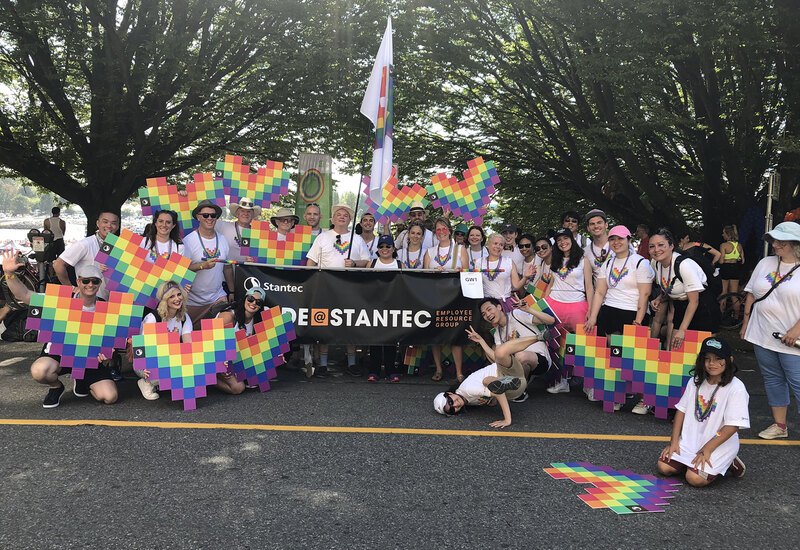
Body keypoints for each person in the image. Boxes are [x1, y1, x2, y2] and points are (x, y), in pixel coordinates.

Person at [2, 254, 117, 408]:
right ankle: (56, 387)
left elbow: (110, 342)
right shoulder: (61, 299)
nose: (90, 284)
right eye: (85, 280)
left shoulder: (106, 308)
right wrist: (9, 274)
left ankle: (82, 380)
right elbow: (25, 295)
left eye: (95, 281)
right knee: (39, 371)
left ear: (99, 283)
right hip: (60, 353)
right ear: (78, 281)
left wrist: (107, 355)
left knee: (110, 397)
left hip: (88, 358)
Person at [657, 337, 748, 486]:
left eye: (718, 359)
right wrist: (674, 442)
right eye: (707, 359)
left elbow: (732, 426)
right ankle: (695, 463)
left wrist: (707, 449)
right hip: (692, 438)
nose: (712, 364)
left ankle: (728, 460)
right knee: (664, 467)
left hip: (718, 442)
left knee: (694, 479)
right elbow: (681, 410)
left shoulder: (736, 388)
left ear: (730, 359)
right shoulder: (696, 381)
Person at [740, 221, 800, 439]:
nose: (775, 244)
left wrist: (796, 330)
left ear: (796, 244)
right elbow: (751, 293)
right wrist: (746, 324)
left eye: (780, 241)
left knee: (798, 382)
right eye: (774, 240)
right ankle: (780, 426)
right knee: (772, 378)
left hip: (791, 339)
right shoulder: (766, 262)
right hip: (762, 333)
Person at [306, 203, 370, 376]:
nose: (342, 217)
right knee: (324, 323)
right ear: (333, 218)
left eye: (346, 215)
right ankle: (323, 364)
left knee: (349, 323)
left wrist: (355, 263)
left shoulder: (357, 239)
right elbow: (311, 262)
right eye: (338, 214)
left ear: (350, 220)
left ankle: (351, 362)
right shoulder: (323, 237)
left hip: (350, 288)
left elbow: (367, 261)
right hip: (325, 287)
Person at [433, 335, 541, 429]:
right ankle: (507, 381)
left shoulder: (468, 389)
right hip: (516, 386)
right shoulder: (467, 399)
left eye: (451, 402)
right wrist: (491, 400)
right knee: (494, 368)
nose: (455, 405)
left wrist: (507, 420)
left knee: (499, 355)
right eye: (451, 410)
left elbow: (498, 393)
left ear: (450, 394)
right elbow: (492, 398)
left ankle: (540, 337)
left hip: (508, 373)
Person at [468, 297, 555, 402]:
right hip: (520, 364)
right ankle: (520, 388)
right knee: (495, 353)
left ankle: (520, 389)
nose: (487, 314)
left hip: (541, 360)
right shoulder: (497, 333)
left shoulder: (516, 314)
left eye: (489, 309)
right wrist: (481, 341)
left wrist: (528, 309)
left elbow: (551, 320)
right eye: (484, 314)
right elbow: (498, 358)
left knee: (520, 355)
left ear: (499, 307)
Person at [649, 228, 715, 350]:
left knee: (699, 351)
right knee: (677, 349)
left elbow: (694, 301)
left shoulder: (684, 265)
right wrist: (659, 298)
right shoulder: (655, 263)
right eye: (652, 246)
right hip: (680, 306)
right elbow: (668, 286)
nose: (656, 250)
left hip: (702, 307)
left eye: (661, 245)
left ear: (671, 246)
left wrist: (682, 330)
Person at [585, 226, 654, 336]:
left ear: (629, 240)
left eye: (620, 238)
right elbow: (599, 292)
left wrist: (638, 322)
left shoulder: (640, 262)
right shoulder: (607, 264)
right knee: (610, 351)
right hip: (609, 311)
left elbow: (645, 294)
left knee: (628, 352)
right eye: (612, 239)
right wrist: (593, 318)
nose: (616, 242)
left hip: (632, 312)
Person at [424, 217, 469, 382]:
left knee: (454, 334)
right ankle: (438, 369)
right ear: (435, 233)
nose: (441, 232)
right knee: (435, 334)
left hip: (454, 297)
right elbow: (424, 274)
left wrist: (458, 270)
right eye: (438, 229)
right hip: (435, 297)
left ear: (449, 231)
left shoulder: (459, 249)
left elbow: (466, 271)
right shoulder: (430, 251)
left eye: (444, 229)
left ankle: (458, 372)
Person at [136, 280, 193, 400]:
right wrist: (143, 368)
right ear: (164, 300)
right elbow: (140, 347)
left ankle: (165, 381)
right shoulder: (153, 318)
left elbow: (189, 344)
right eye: (171, 296)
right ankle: (147, 382)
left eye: (179, 294)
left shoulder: (184, 317)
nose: (177, 299)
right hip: (147, 359)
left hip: (171, 357)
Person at [183, 200, 235, 328]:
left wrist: (232, 291)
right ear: (198, 217)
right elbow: (182, 270)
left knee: (228, 318)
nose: (210, 218)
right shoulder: (188, 241)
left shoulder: (222, 239)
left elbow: (227, 267)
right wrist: (202, 266)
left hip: (216, 298)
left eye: (213, 215)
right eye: (206, 215)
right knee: (189, 337)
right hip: (191, 301)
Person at [53, 210, 119, 300]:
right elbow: (58, 264)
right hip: (88, 303)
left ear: (117, 226)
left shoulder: (118, 245)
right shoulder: (85, 244)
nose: (109, 226)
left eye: (113, 223)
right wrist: (71, 288)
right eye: (105, 222)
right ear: (98, 223)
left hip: (113, 302)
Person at [215, 287, 267, 395]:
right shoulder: (228, 316)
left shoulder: (257, 320)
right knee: (238, 388)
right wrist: (222, 362)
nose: (253, 303)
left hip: (235, 358)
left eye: (258, 302)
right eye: (250, 299)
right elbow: (213, 340)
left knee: (258, 378)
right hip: (216, 355)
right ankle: (207, 379)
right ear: (244, 299)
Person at [543, 228, 593, 332]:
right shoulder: (555, 260)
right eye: (559, 240)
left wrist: (591, 310)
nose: (562, 242)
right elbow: (551, 283)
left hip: (577, 305)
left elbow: (589, 286)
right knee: (553, 339)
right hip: (553, 303)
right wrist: (544, 303)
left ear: (572, 239)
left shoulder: (584, 260)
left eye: (566, 238)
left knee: (583, 339)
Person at [367, 235, 402, 382]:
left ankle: (390, 370)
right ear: (378, 249)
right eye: (381, 246)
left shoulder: (400, 264)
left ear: (393, 248)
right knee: (374, 340)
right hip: (374, 306)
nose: (385, 249)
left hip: (393, 306)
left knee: (391, 340)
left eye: (388, 246)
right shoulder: (372, 263)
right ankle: (374, 371)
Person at [480, 233, 526, 311]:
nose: (498, 246)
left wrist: (526, 277)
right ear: (488, 244)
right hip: (489, 304)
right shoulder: (479, 262)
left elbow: (517, 285)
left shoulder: (509, 262)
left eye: (501, 245)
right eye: (495, 243)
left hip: (507, 302)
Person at [217, 197, 261, 262]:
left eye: (248, 211)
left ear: (252, 215)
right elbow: (207, 221)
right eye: (242, 211)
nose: (245, 214)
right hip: (227, 269)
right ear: (237, 214)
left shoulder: (257, 233)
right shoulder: (223, 226)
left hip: (247, 270)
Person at [718, 224, 745, 318]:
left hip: (725, 268)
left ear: (728, 234)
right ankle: (736, 316)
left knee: (724, 292)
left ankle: (721, 315)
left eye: (723, 233)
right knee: (734, 294)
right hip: (736, 268)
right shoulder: (739, 246)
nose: (722, 235)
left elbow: (721, 261)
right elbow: (742, 261)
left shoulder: (723, 245)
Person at [584, 209, 610, 282]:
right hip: (598, 292)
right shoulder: (585, 252)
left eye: (599, 222)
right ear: (588, 228)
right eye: (592, 224)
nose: (596, 226)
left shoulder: (619, 246)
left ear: (606, 225)